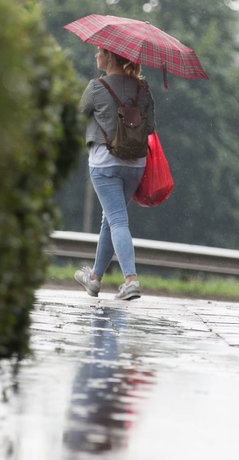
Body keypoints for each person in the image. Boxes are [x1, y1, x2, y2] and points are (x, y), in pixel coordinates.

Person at [74, 47, 155, 300]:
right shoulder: (143, 89)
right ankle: (95, 280)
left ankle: (130, 280)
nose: (96, 56)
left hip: (105, 164)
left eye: (99, 52)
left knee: (117, 220)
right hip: (135, 165)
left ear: (109, 57)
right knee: (110, 219)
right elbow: (150, 127)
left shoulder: (96, 87)